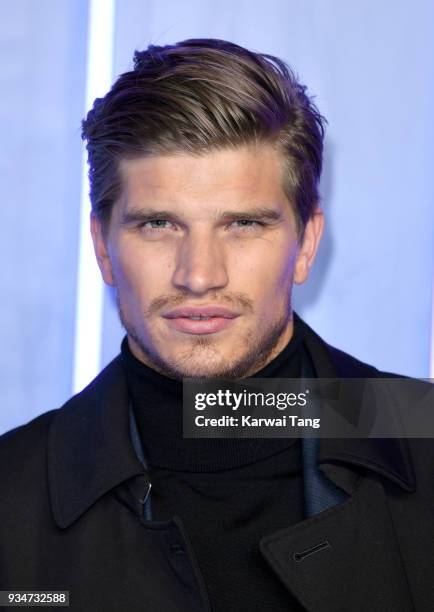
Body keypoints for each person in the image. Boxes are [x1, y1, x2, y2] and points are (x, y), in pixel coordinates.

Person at [0, 38, 432, 612]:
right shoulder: (10, 495)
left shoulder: (421, 433)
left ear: (305, 244)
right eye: (158, 224)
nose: (199, 275)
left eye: (243, 224)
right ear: (102, 248)